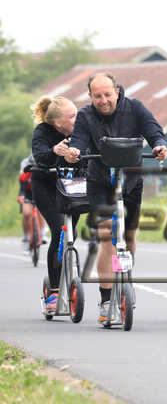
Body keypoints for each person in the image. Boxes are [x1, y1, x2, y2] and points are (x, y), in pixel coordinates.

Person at [65, 72, 167, 323]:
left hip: (130, 180)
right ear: (90, 96)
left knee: (128, 236)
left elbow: (153, 131)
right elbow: (78, 139)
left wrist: (159, 145)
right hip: (100, 181)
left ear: (117, 92)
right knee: (106, 235)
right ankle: (106, 298)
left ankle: (125, 281)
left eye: (107, 94)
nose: (103, 100)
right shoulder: (86, 115)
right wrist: (74, 150)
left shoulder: (135, 108)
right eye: (97, 96)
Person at [30, 96, 80, 312]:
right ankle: (53, 290)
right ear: (58, 123)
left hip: (72, 186)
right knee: (60, 232)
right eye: (72, 117)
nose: (77, 119)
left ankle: (68, 278)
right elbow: (40, 156)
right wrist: (54, 152)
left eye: (77, 114)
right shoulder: (42, 132)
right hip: (47, 188)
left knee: (71, 235)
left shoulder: (82, 130)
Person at [17, 155, 47, 253]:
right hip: (28, 194)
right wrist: (21, 196)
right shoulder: (25, 174)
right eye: (32, 165)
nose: (34, 167)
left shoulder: (43, 173)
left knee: (41, 211)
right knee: (26, 213)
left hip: (39, 193)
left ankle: (42, 233)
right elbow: (22, 189)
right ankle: (26, 237)